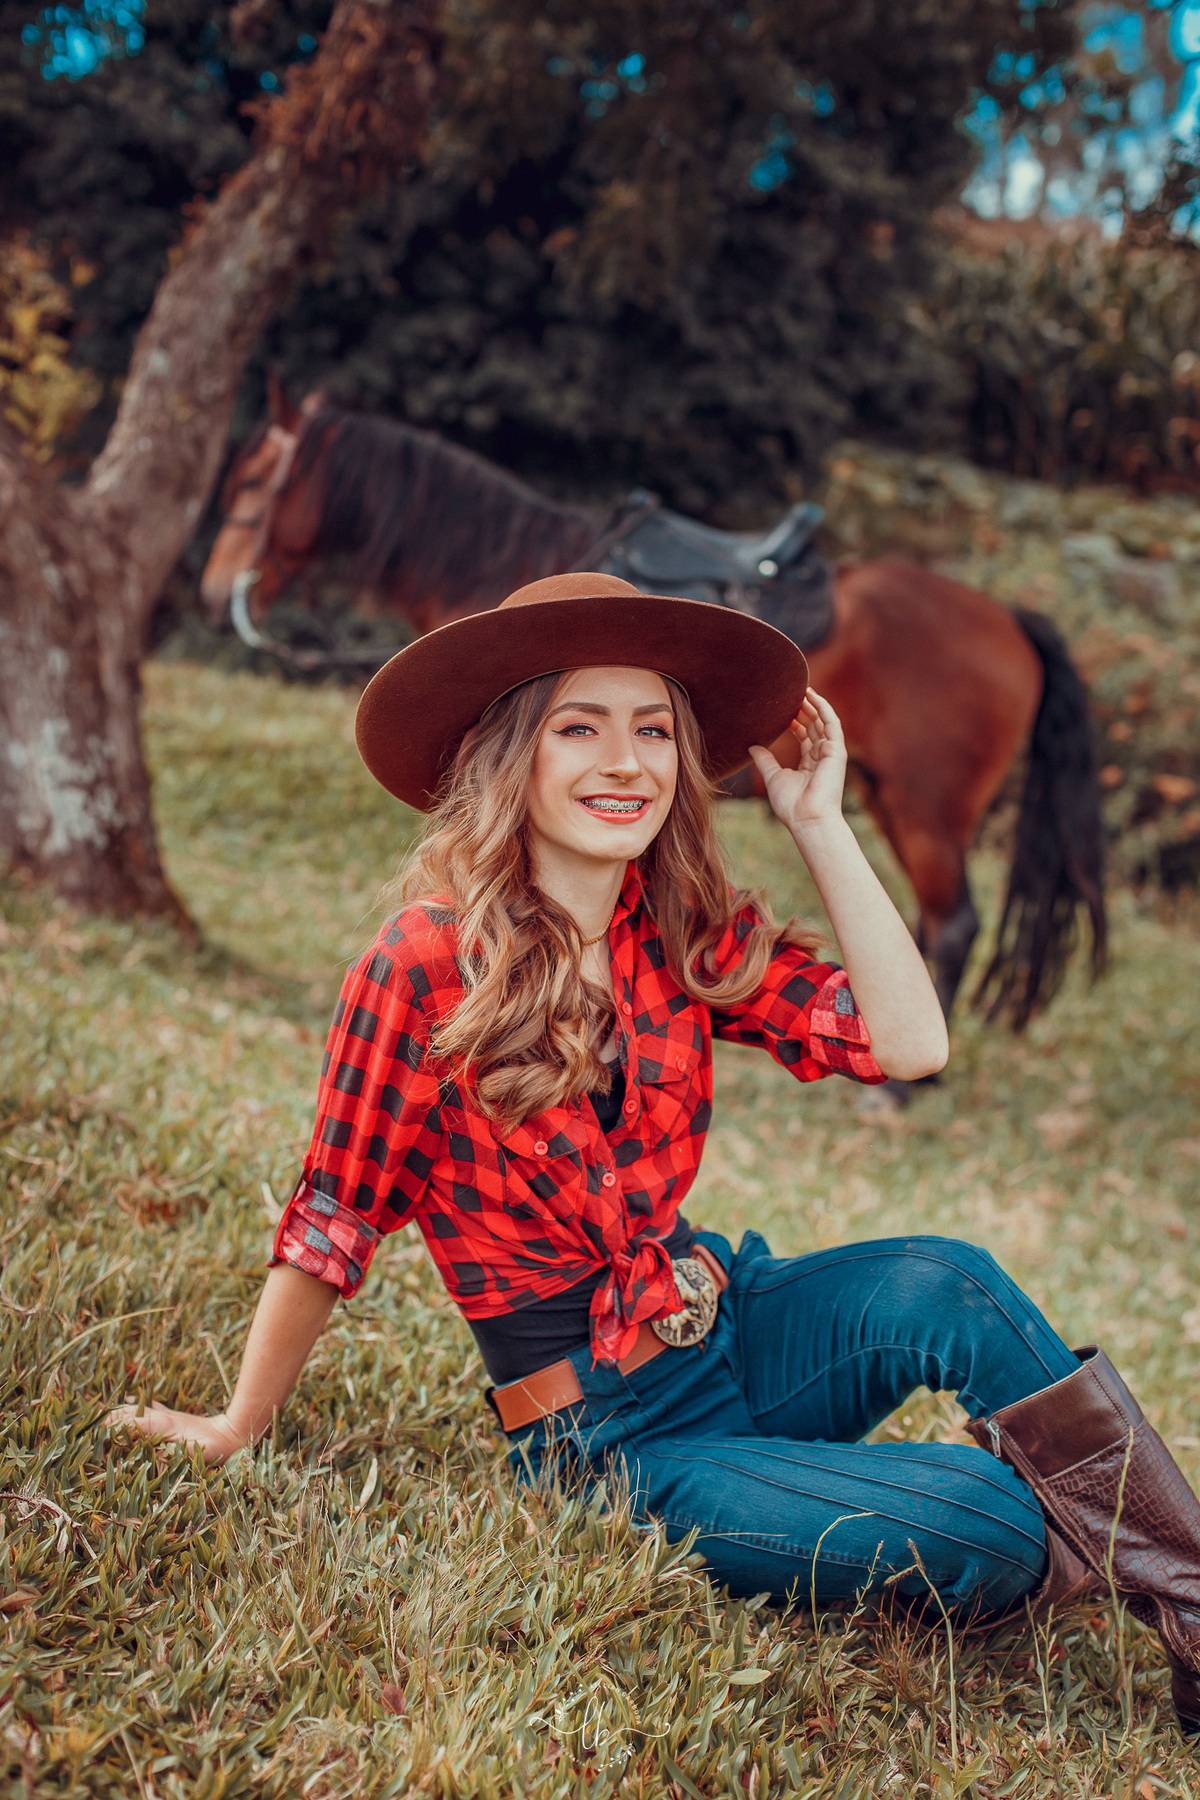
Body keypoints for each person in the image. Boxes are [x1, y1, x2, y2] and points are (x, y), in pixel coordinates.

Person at [111, 572, 1200, 1737]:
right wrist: (240, 1424)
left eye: (654, 731)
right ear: (511, 754)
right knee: (993, 1515)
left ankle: (1193, 1608)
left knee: (951, 1280)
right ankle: (894, 1509)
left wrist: (819, 823)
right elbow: (335, 1213)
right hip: (609, 1432)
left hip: (724, 1322)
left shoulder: (671, 924)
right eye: (580, 727)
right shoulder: (421, 963)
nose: (624, 762)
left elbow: (910, 1042)